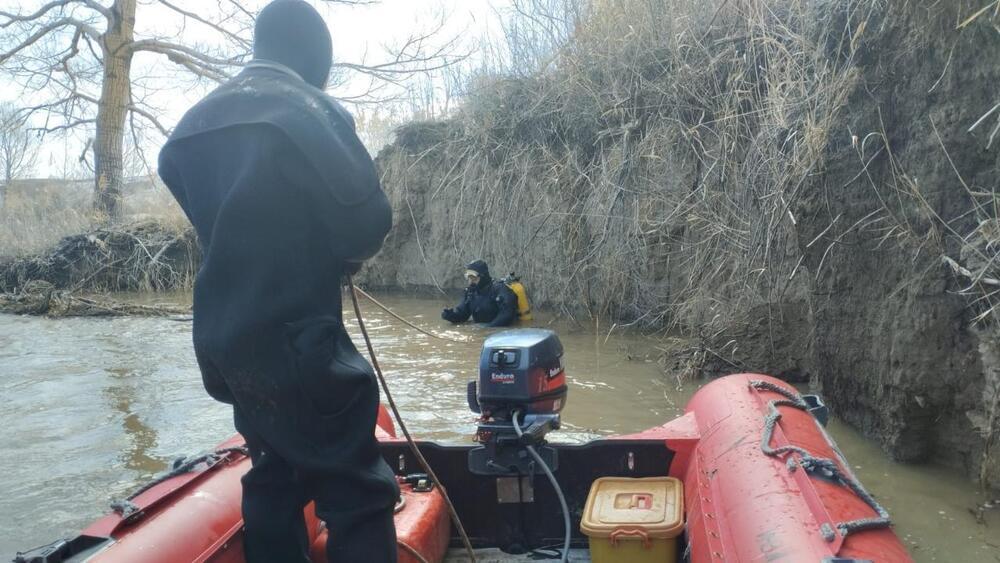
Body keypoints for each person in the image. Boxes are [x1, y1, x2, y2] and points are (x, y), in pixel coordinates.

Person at [156, 1, 398, 561]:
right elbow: (367, 222)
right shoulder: (307, 109)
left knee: (274, 474)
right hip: (300, 341)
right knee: (358, 491)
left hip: (224, 343)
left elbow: (214, 219)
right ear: (315, 56)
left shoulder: (190, 125)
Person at [441, 259, 518, 327]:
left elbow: (507, 315)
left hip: (500, 334)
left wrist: (489, 328)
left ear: (483, 276)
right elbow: (462, 315)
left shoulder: (500, 289)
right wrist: (450, 316)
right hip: (484, 329)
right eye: (469, 277)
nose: (471, 281)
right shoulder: (470, 293)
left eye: (473, 278)